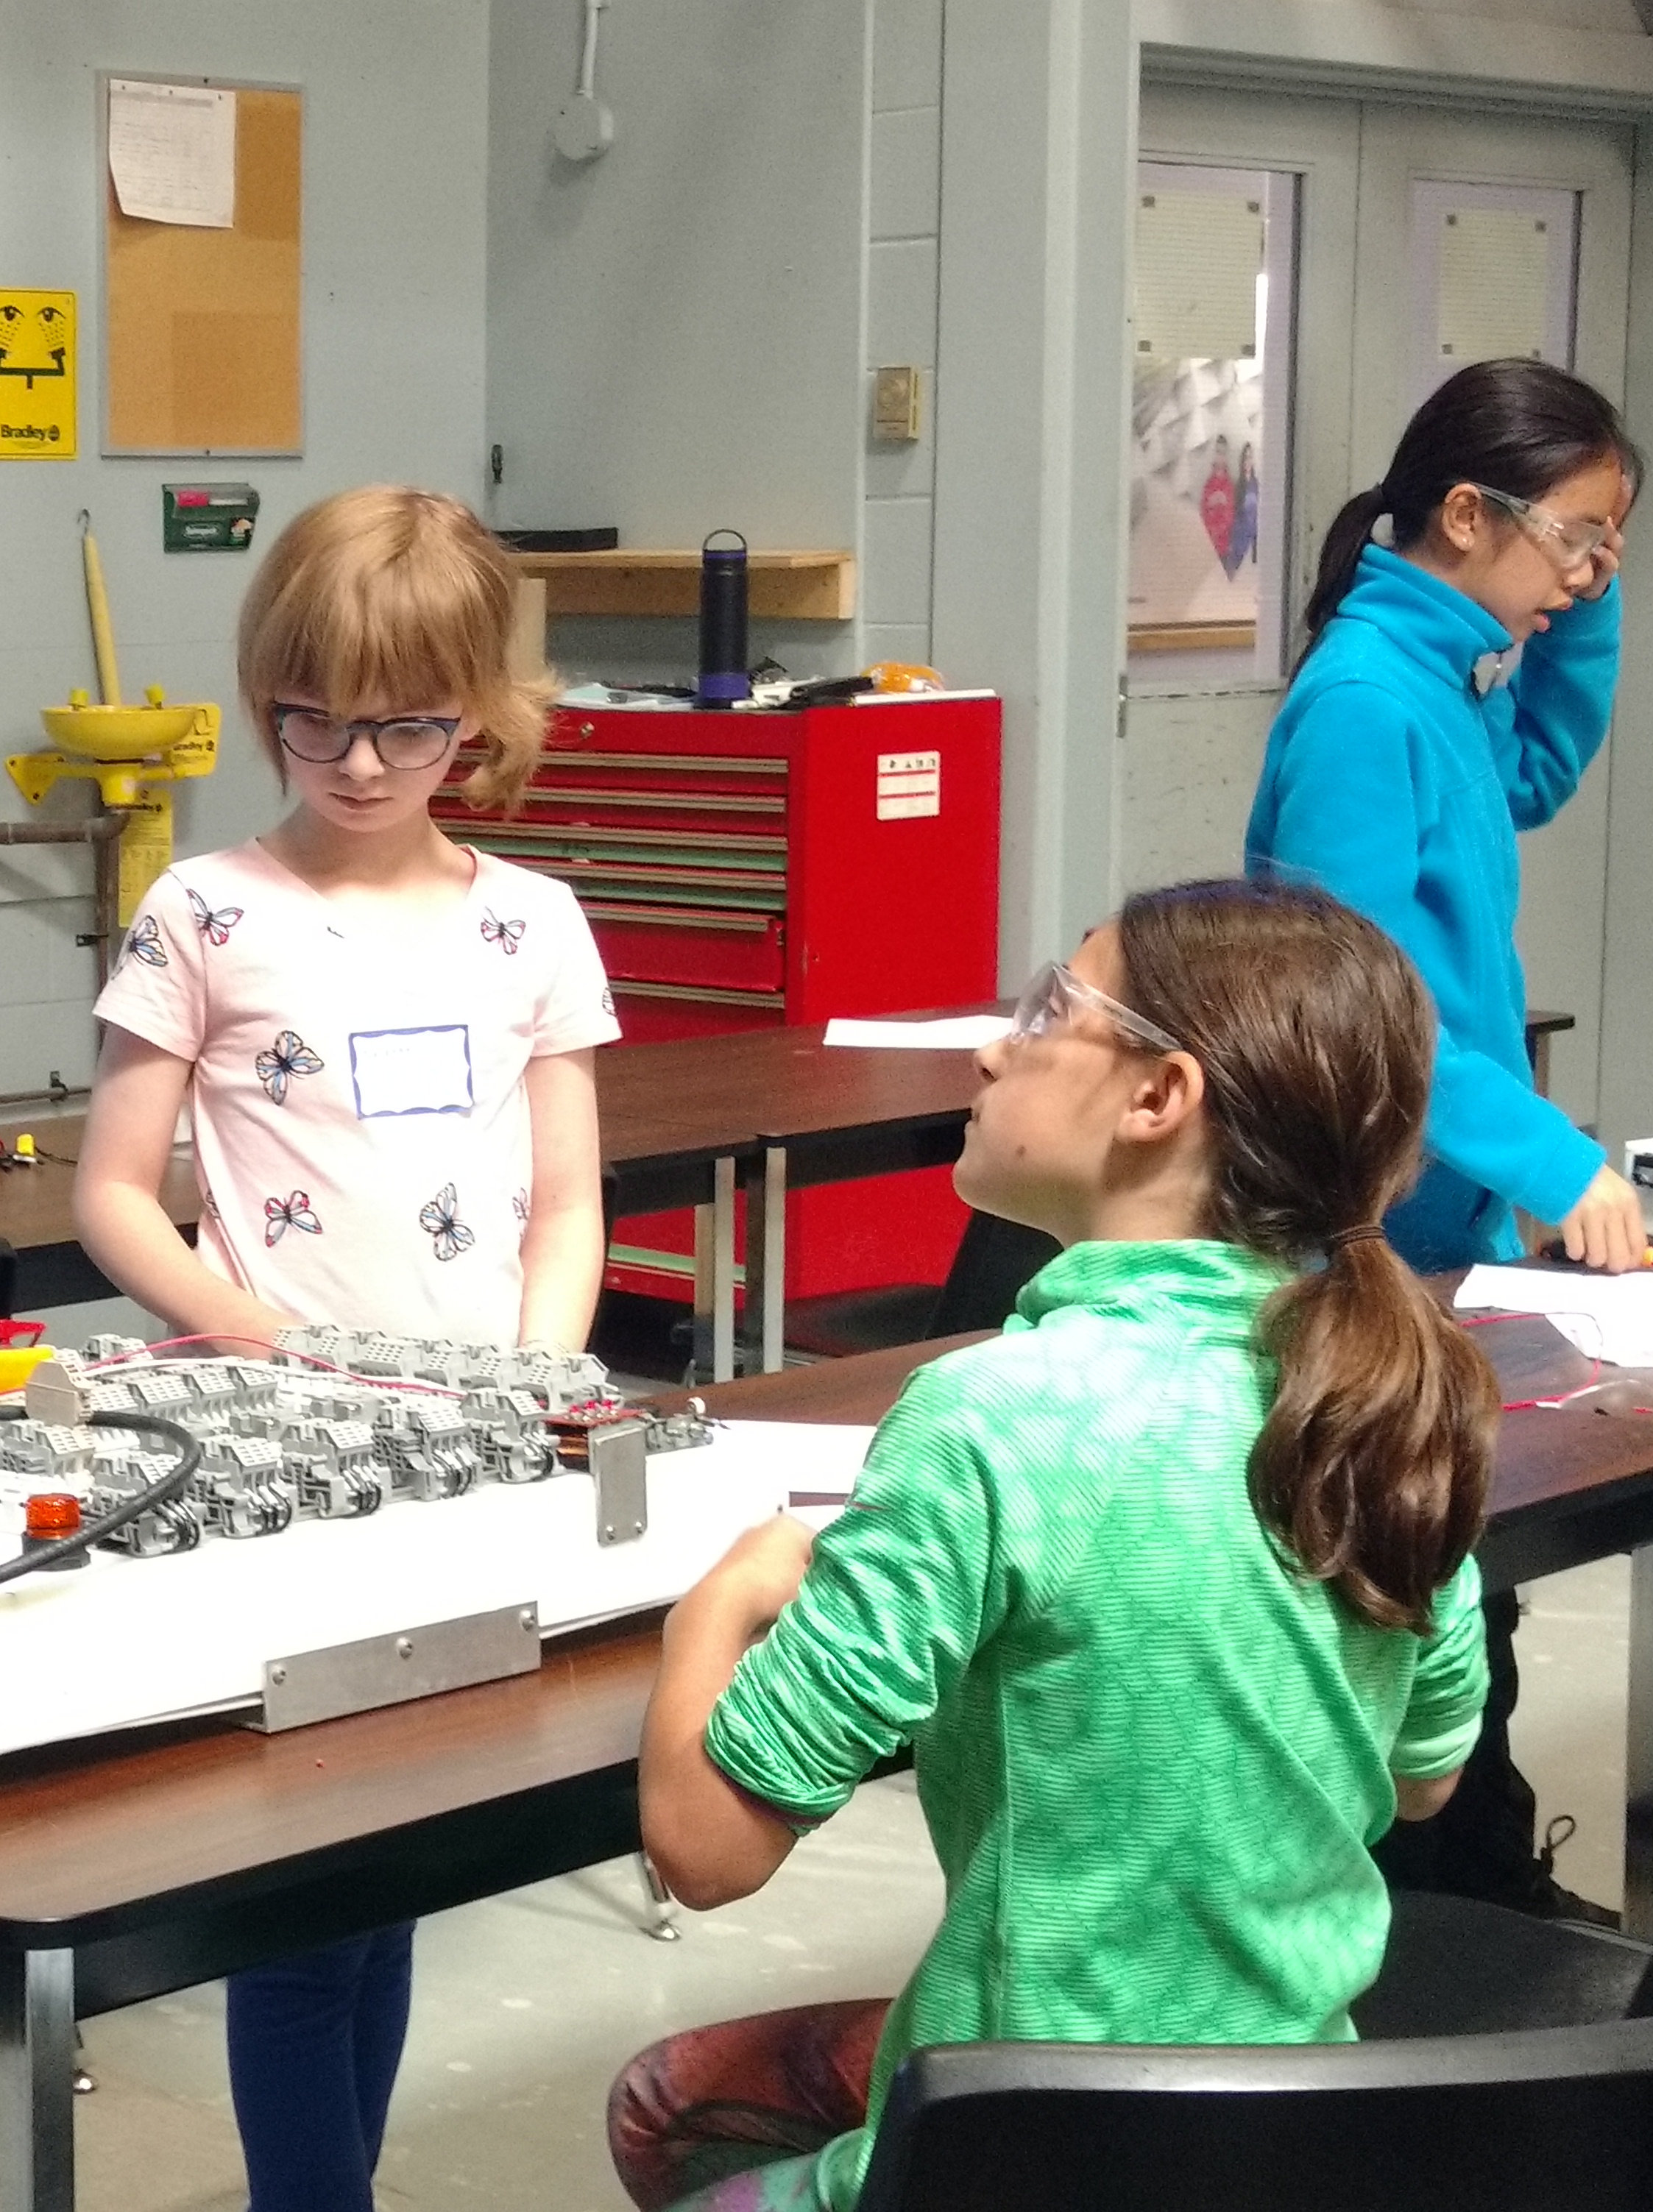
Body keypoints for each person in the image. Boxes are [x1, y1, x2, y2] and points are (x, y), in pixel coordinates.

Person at [606, 879, 1496, 2212]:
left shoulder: (995, 1417)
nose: (989, 1048)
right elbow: (1426, 1778)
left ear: (1158, 1098)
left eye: (1042, 1015)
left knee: (669, 2107)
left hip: (1045, 2158)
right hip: (1298, 2129)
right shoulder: (1387, 1404)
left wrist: (716, 1607)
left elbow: (705, 1847)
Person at [74, 484, 617, 2212]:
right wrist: (277, 1351)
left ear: (475, 714)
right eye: (313, 717)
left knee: (387, 1888)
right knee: (297, 1912)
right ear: (264, 701)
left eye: (405, 725)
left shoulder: (527, 921)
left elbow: (563, 1207)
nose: (359, 762)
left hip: (473, 1460)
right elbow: (112, 1197)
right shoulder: (203, 913)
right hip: (294, 1460)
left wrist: (533, 1389)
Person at [1243, 358, 1643, 1920]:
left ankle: (1468, 1870)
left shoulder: (1451, 677)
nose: (1581, 578)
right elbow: (1366, 1003)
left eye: (1605, 550)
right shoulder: (1361, 702)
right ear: (1466, 515)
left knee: (1457, 1563)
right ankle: (1430, 1900)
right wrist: (1550, 1158)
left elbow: (1534, 772)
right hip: (1366, 1215)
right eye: (1572, 544)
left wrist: (1581, 596)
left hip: (1431, 1211)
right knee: (1399, 1577)